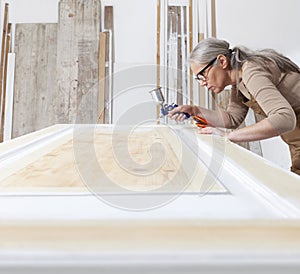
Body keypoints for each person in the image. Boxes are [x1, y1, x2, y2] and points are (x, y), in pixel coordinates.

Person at [168, 37, 300, 176]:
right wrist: (194, 111)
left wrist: (228, 136)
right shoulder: (238, 80)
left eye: (202, 74)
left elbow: (284, 118)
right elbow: (232, 118)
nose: (202, 82)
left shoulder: (252, 71)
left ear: (222, 61)